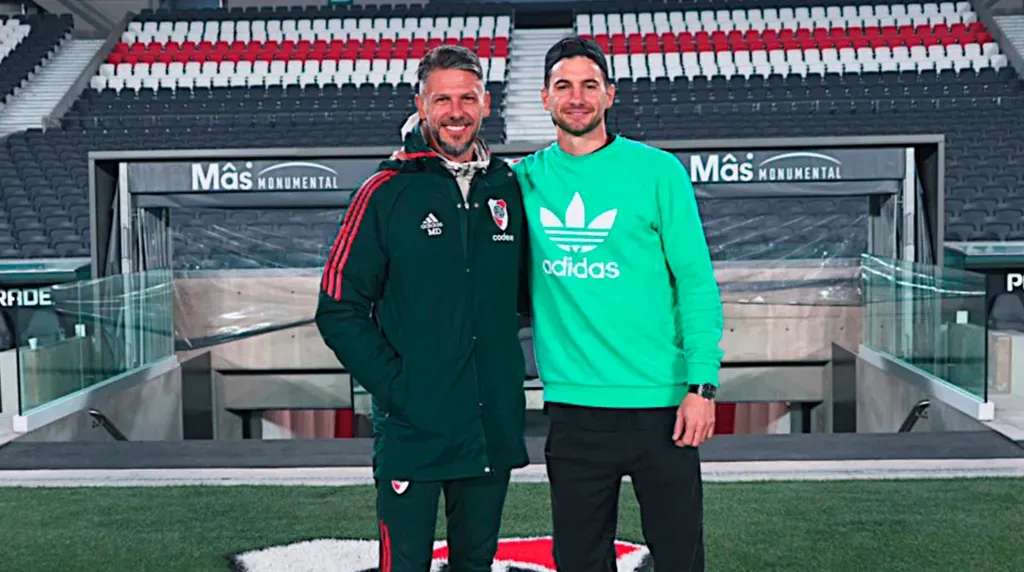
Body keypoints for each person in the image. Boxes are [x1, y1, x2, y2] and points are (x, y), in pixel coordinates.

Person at [512, 36, 725, 571]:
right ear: (545, 98)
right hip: (574, 410)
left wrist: (702, 385)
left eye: (589, 86)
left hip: (664, 405)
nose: (577, 97)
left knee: (679, 556)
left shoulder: (657, 172)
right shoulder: (523, 180)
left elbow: (696, 284)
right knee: (580, 560)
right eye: (564, 86)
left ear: (610, 94)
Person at [314, 44, 530, 572]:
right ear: (421, 103)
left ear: (486, 104)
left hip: (489, 428)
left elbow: (530, 298)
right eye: (442, 99)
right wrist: (400, 388)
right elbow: (337, 309)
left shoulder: (509, 187)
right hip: (414, 430)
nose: (455, 111)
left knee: (475, 562)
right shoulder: (384, 192)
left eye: (467, 98)